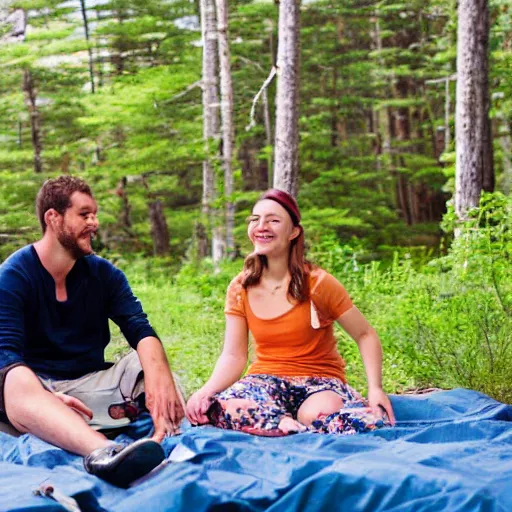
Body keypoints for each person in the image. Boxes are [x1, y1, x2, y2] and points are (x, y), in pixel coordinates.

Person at [0, 176, 185, 488]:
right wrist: (47, 397)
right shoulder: (14, 276)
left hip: (91, 389)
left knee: (150, 364)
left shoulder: (104, 274)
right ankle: (104, 452)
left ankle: (165, 444)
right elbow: (5, 355)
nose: (94, 223)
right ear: (53, 218)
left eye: (94, 214)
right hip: (36, 395)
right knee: (12, 378)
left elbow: (139, 328)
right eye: (84, 214)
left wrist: (158, 376)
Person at [187, 189, 395, 436]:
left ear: (293, 232)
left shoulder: (318, 283)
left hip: (319, 382)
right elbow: (233, 355)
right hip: (264, 382)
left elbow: (365, 334)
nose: (261, 226)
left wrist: (376, 388)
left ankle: (289, 423)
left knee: (320, 415)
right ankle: (283, 423)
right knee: (217, 408)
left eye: (273, 220)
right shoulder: (239, 287)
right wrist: (205, 391)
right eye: (255, 219)